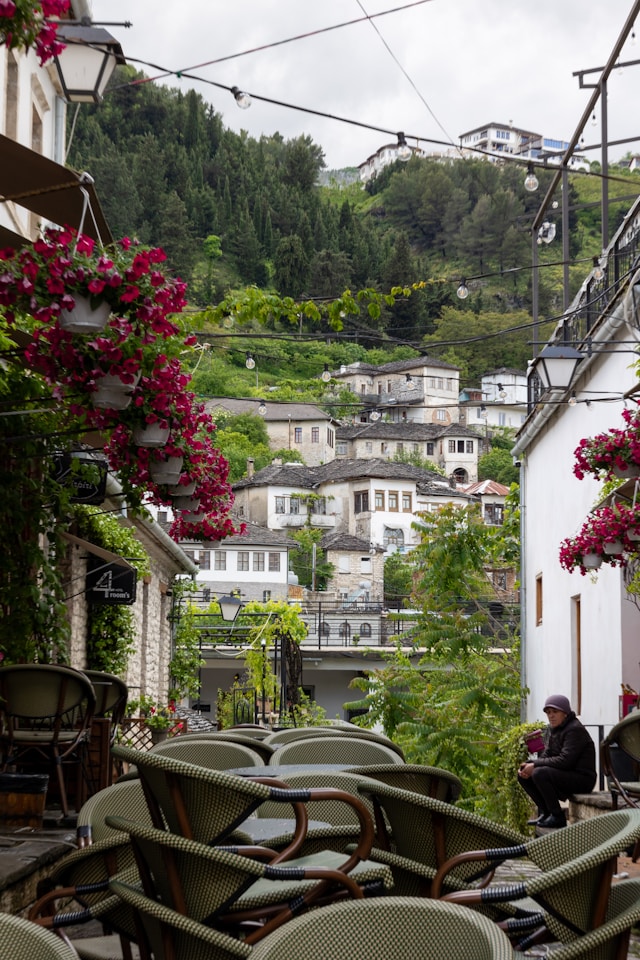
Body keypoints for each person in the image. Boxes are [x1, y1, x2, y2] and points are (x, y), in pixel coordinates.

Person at [517, 694, 596, 829]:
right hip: (567, 774)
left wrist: (535, 765)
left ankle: (558, 816)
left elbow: (565, 761)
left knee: (539, 773)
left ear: (565, 713)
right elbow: (548, 754)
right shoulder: (556, 729)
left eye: (555, 712)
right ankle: (547, 813)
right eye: (548, 712)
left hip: (582, 779)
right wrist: (528, 765)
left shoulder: (574, 729)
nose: (551, 716)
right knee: (524, 775)